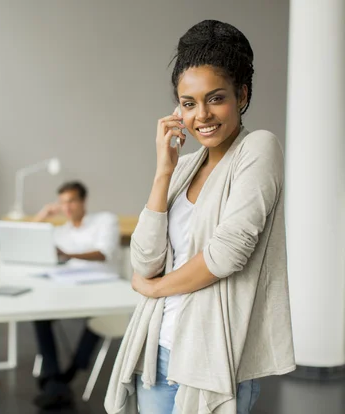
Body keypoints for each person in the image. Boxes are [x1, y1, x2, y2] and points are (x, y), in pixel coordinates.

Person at [105, 20, 295, 414]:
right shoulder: (184, 166)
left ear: (242, 95)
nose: (202, 115)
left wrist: (156, 288)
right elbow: (144, 260)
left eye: (216, 98)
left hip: (212, 356)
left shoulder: (259, 149)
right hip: (157, 350)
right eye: (189, 103)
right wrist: (163, 170)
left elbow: (227, 254)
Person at [32, 181, 120, 409]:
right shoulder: (62, 231)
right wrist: (43, 214)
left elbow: (104, 253)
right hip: (71, 287)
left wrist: (68, 254)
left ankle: (66, 376)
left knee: (98, 319)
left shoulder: (105, 221)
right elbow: (28, 238)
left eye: (71, 201)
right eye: (62, 203)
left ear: (83, 201)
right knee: (39, 315)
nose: (67, 207)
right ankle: (54, 378)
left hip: (103, 287)